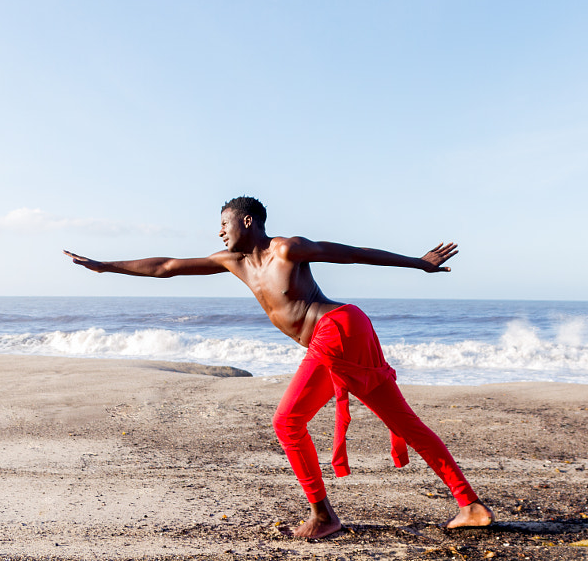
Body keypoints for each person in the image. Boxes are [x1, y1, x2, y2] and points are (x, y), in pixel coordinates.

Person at [64, 196, 494, 539]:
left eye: (224, 223)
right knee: (403, 421)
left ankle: (324, 516)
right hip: (337, 335)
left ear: (247, 221)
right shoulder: (232, 262)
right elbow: (165, 268)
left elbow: (353, 253)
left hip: (338, 327)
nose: (219, 232)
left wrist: (419, 263)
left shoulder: (286, 249)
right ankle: (470, 505)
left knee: (287, 422)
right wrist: (105, 266)